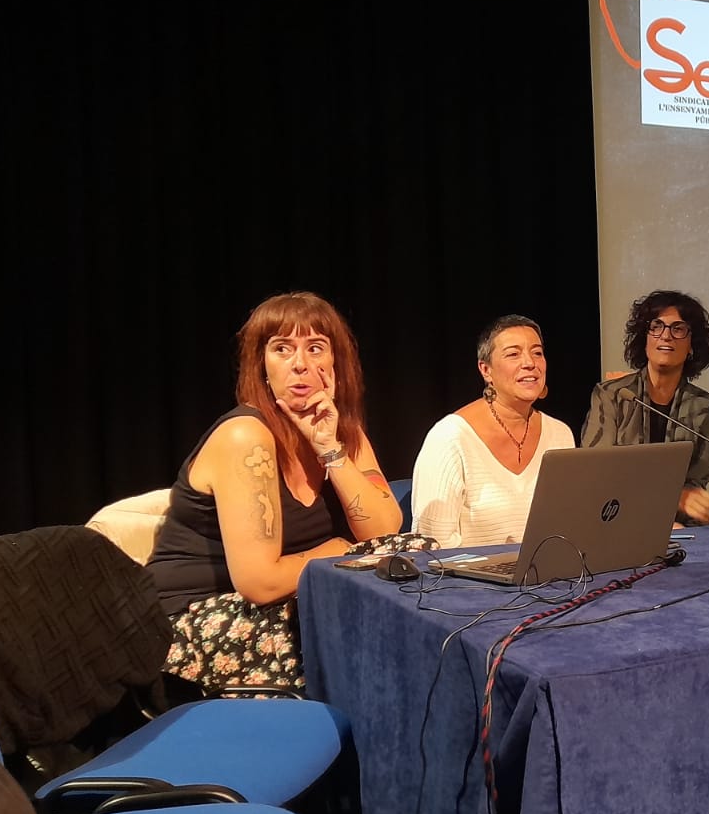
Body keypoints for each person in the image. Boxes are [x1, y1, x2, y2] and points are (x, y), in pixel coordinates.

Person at [147, 291, 403, 692]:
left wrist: (329, 450)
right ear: (262, 365)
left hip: (289, 599)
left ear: (335, 363)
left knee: (414, 558)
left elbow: (385, 531)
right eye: (282, 349)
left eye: (316, 348)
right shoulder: (246, 437)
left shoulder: (342, 432)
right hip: (195, 622)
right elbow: (261, 582)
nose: (301, 364)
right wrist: (339, 548)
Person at [411, 314, 576, 548]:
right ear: (486, 370)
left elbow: (570, 525)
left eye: (537, 352)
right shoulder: (449, 437)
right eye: (513, 354)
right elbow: (432, 544)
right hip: (466, 581)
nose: (530, 363)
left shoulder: (560, 434)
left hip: (548, 577)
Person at [580, 289, 709, 525]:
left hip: (678, 528)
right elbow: (596, 472)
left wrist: (684, 502)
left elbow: (695, 483)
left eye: (678, 328)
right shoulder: (612, 395)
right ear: (643, 338)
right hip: (614, 520)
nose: (666, 336)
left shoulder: (704, 407)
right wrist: (672, 497)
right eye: (656, 326)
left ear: (691, 346)